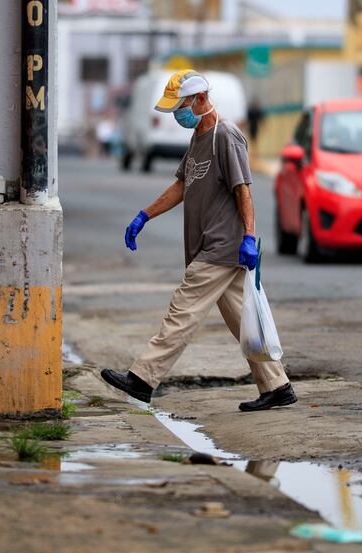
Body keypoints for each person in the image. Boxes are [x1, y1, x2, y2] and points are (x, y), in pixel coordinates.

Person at [100, 70, 296, 412]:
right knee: (243, 321)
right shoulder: (200, 136)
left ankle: (143, 379)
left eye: (181, 107)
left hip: (220, 247)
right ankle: (277, 386)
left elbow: (243, 190)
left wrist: (249, 236)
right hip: (213, 246)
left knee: (182, 312)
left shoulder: (226, 136)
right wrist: (144, 215)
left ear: (200, 99)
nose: (178, 114)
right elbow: (181, 184)